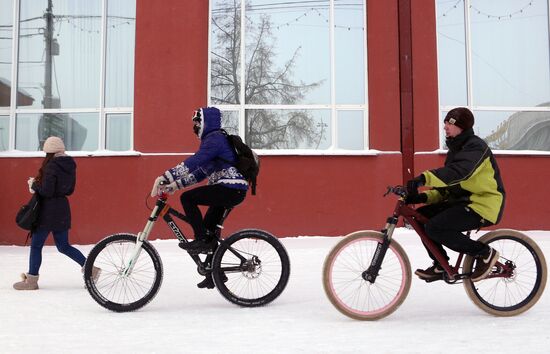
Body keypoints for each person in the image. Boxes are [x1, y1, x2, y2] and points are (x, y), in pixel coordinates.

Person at [151, 107, 248, 289]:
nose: (195, 126)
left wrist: (167, 176)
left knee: (188, 199)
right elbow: (200, 172)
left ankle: (200, 240)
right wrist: (174, 185)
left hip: (230, 187)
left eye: (197, 122)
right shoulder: (213, 142)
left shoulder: (215, 139)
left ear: (206, 122)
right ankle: (214, 273)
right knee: (210, 232)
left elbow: (195, 161)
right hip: (229, 189)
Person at [405, 107, 505, 282]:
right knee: (421, 216)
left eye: (449, 123)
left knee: (435, 227)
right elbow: (448, 189)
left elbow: (459, 172)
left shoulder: (476, 147)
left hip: (483, 205)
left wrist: (423, 179)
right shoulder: (456, 151)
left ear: (462, 127)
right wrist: (420, 197)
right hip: (463, 202)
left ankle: (485, 253)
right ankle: (440, 264)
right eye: (444, 122)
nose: (445, 127)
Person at [13, 136, 100, 290]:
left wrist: (34, 184)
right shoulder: (70, 165)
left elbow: (47, 191)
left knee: (36, 246)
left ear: (49, 151)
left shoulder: (51, 166)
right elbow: (70, 190)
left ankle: (31, 281)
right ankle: (90, 269)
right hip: (62, 209)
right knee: (64, 246)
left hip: (48, 211)